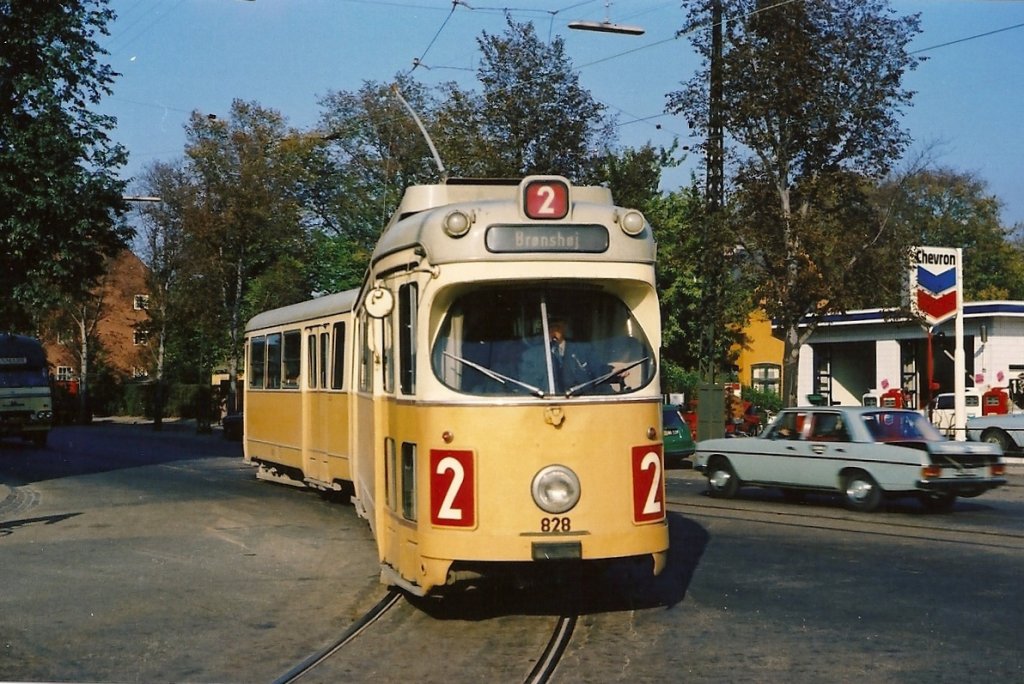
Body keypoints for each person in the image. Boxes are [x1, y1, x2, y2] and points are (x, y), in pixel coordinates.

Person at [548, 318, 595, 393]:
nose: (553, 332)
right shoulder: (535, 354)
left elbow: (598, 374)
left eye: (557, 327)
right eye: (550, 328)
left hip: (579, 398)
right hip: (548, 398)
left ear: (564, 328)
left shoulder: (583, 349)